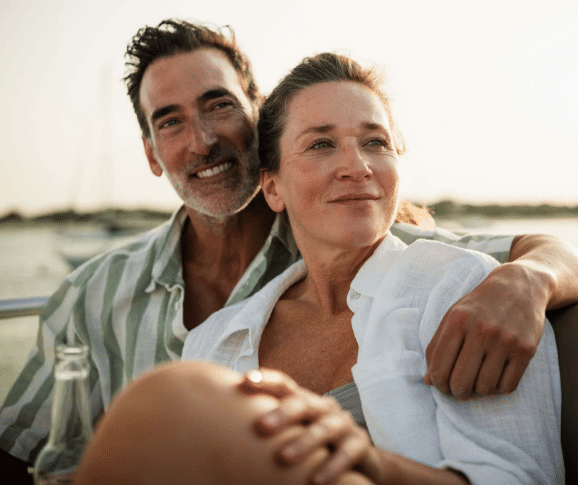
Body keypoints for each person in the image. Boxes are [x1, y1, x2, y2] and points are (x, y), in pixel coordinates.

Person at [1, 18, 577, 481]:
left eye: (219, 104)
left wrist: (526, 280)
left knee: (168, 396)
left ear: (255, 115)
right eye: (170, 122)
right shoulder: (120, 304)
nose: (202, 140)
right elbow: (24, 449)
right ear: (152, 154)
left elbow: (533, 254)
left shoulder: (436, 271)